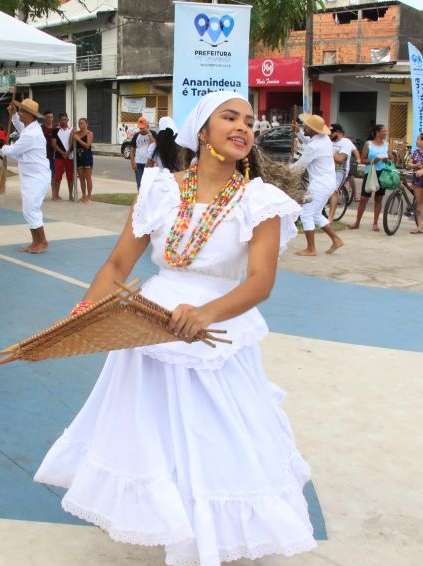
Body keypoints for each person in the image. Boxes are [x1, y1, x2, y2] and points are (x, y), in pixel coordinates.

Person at [35, 91, 316, 566]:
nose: (243, 127)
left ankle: (209, 539)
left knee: (216, 436)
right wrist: (81, 317)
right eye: (230, 117)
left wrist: (206, 314)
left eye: (249, 121)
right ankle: (174, 527)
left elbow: (260, 281)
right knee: (153, 435)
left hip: (218, 334)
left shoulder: (261, 200)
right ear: (201, 131)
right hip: (148, 330)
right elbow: (118, 264)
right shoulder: (159, 189)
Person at [0, 98, 51, 254]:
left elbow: (13, 151)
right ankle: (37, 241)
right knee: (29, 208)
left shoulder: (32, 134)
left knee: (30, 209)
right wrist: (14, 115)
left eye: (21, 111)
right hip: (32, 177)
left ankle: (41, 242)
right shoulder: (31, 129)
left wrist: (3, 147)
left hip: (37, 178)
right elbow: (21, 127)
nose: (19, 113)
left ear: (29, 114)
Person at [290, 114, 344, 255]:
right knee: (316, 215)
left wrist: (282, 169)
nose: (304, 127)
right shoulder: (324, 139)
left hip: (319, 185)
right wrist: (299, 133)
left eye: (306, 126)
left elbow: (299, 166)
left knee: (306, 214)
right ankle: (336, 240)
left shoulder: (314, 146)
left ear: (312, 129)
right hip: (327, 183)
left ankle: (311, 249)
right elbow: (308, 141)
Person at [348, 124, 390, 231]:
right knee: (363, 199)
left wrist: (387, 159)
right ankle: (357, 222)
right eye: (383, 131)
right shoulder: (368, 144)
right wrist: (372, 161)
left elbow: (391, 158)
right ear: (377, 132)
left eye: (386, 131)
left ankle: (375, 224)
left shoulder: (387, 144)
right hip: (370, 173)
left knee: (378, 198)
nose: (385, 133)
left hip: (382, 173)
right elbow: (362, 159)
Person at [328, 123, 360, 223]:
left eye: (331, 133)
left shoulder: (345, 142)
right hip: (327, 169)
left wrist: (358, 158)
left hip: (340, 171)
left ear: (337, 132)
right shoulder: (328, 141)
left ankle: (330, 218)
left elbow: (340, 159)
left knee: (334, 191)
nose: (329, 135)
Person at [52, 112, 75, 200]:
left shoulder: (72, 130)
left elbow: (74, 143)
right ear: (59, 120)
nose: (64, 121)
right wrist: (62, 152)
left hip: (70, 156)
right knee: (57, 176)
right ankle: (56, 194)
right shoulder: (55, 130)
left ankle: (70, 195)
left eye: (65, 119)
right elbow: (54, 144)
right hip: (58, 156)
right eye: (62, 120)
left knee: (70, 176)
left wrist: (69, 152)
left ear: (68, 120)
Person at [130, 116, 154, 189]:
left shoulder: (153, 134)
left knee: (148, 185)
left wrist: (149, 133)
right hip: (138, 164)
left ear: (147, 126)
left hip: (149, 164)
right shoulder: (136, 136)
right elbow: (132, 150)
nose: (142, 130)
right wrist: (133, 163)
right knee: (140, 184)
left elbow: (154, 145)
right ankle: (140, 199)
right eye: (140, 128)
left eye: (143, 127)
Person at [73, 118, 94, 203]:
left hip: (87, 156)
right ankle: (83, 195)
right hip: (79, 156)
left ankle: (89, 196)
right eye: (79, 123)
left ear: (86, 124)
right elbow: (72, 143)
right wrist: (73, 134)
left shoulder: (89, 133)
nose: (80, 125)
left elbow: (87, 146)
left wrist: (78, 139)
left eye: (82, 123)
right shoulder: (76, 133)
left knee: (88, 177)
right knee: (81, 178)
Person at [41, 110, 56, 183]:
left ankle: (54, 193)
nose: (50, 119)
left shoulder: (56, 128)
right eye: (48, 117)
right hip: (43, 156)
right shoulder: (40, 129)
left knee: (54, 175)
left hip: (54, 155)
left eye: (51, 117)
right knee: (43, 175)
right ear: (44, 118)